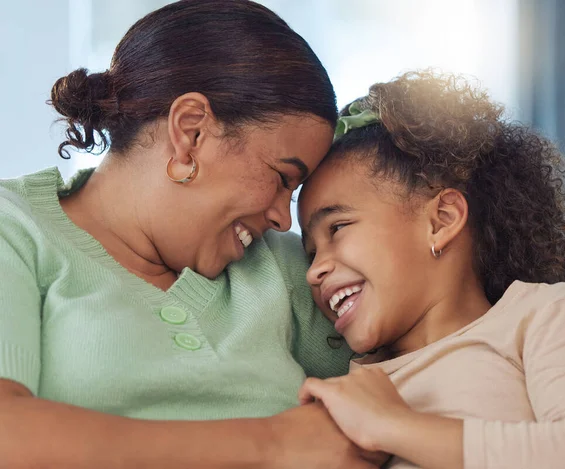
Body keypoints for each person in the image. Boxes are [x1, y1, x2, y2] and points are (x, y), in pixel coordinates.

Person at [0, 1, 385, 468]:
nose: (285, 219)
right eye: (282, 177)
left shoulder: (285, 269)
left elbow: (438, 337)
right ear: (192, 132)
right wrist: (272, 445)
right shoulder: (15, 230)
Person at [298, 70, 565, 469]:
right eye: (309, 252)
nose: (313, 271)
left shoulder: (543, 313)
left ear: (441, 219)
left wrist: (393, 426)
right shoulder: (350, 388)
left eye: (337, 228)